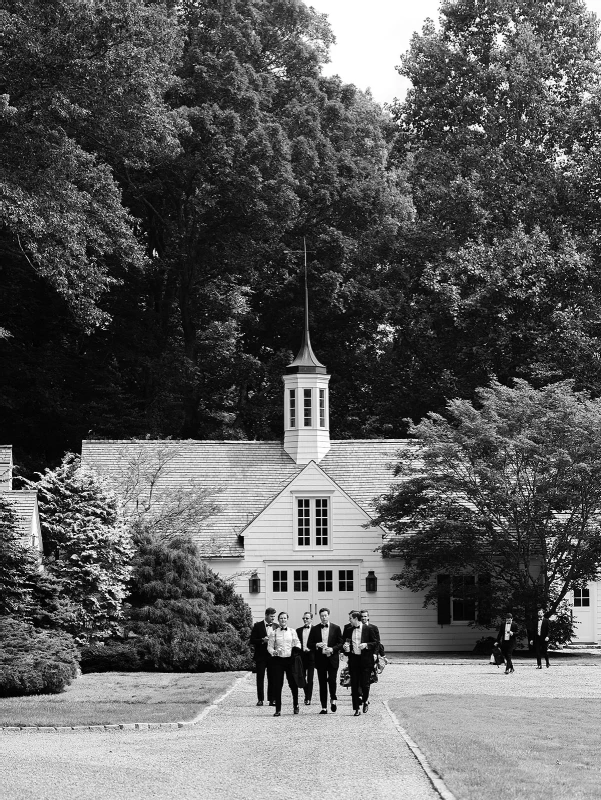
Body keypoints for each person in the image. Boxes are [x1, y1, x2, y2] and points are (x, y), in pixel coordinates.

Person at [308, 607, 343, 714]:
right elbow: (309, 644)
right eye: (321, 616)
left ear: (329, 615)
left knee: (332, 680)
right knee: (322, 683)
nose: (323, 617)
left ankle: (333, 699)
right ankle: (324, 707)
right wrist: (317, 645)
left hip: (332, 659)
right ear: (319, 617)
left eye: (325, 615)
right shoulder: (314, 629)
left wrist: (332, 649)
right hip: (320, 659)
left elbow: (340, 643)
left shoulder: (336, 628)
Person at [267, 612, 301, 717]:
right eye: (281, 618)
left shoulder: (292, 631)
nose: (283, 620)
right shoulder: (274, 633)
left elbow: (298, 643)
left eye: (285, 618)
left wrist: (296, 649)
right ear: (278, 620)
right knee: (278, 685)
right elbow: (269, 647)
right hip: (278, 661)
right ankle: (278, 709)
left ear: (287, 619)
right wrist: (273, 652)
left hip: (290, 660)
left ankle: (296, 705)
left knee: (293, 684)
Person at [344, 612, 378, 716]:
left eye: (351, 618)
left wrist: (366, 645)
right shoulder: (349, 630)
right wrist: (346, 649)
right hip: (354, 659)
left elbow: (376, 643)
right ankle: (356, 708)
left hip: (366, 660)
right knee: (354, 684)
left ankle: (365, 700)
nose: (349, 620)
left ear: (356, 619)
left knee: (365, 684)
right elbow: (345, 643)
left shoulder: (369, 629)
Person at [249, 607, 277, 706]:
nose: (273, 618)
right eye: (271, 616)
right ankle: (260, 699)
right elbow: (252, 640)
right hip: (260, 656)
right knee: (260, 678)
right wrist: (262, 640)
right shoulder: (257, 626)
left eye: (274, 616)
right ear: (266, 615)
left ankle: (272, 699)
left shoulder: (276, 626)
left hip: (272, 657)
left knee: (272, 678)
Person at [296, 611, 315, 705]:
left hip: (312, 657)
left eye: (307, 618)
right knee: (302, 677)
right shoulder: (298, 630)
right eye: (304, 618)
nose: (305, 620)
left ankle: (308, 698)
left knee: (310, 678)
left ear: (311, 619)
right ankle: (306, 694)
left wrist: (311, 649)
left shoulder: (316, 629)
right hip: (301, 656)